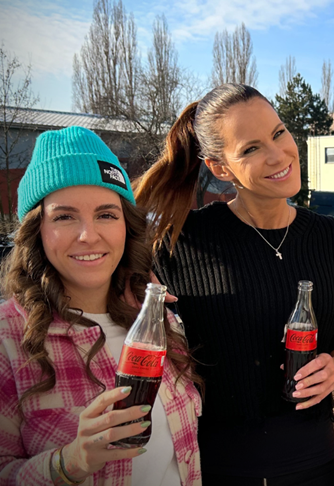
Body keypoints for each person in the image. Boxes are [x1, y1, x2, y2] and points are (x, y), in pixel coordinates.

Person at [133, 83, 334, 485]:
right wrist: (130, 277)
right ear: (220, 168)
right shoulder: (180, 243)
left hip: (317, 464)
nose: (278, 154)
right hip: (218, 469)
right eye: (251, 148)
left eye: (278, 133)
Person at [0, 126, 203, 486]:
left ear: (126, 225)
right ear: (36, 230)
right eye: (64, 216)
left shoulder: (158, 323)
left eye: (106, 214)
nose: (88, 235)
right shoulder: (7, 340)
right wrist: (69, 462)